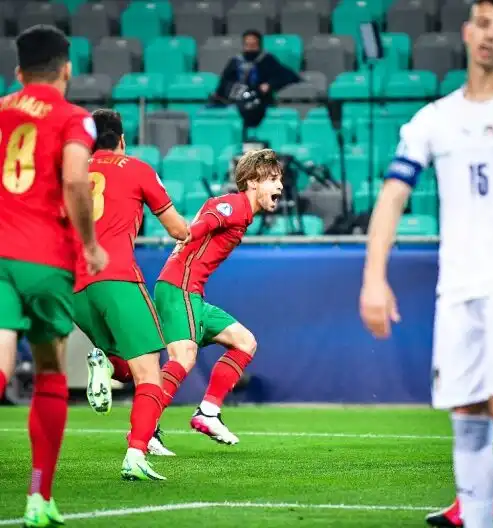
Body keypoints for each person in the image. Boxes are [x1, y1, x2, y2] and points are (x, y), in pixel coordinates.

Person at [359, 2, 493, 527]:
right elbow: (393, 197)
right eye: (483, 24)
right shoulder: (434, 120)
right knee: (467, 414)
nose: (490, 36)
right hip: (458, 290)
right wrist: (374, 278)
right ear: (466, 31)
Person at [0, 25, 107, 527]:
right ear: (67, 69)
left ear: (18, 72)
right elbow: (75, 180)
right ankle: (38, 497)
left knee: (1, 363)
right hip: (45, 260)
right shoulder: (74, 118)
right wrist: (90, 244)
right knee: (49, 371)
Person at [72, 109, 189, 480]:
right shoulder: (137, 168)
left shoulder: (70, 173)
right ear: (121, 139)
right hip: (117, 276)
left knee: (128, 364)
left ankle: (106, 364)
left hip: (73, 287)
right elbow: (177, 229)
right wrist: (193, 229)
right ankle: (136, 454)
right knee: (150, 370)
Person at [156, 148, 283, 444]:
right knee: (183, 357)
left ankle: (208, 412)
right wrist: (187, 231)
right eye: (273, 179)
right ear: (252, 182)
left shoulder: (242, 213)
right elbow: (206, 222)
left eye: (280, 180)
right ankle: (145, 427)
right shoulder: (235, 205)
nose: (279, 186)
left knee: (244, 342)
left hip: (189, 291)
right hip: (180, 286)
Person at [212, 30, 301, 127]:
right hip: (237, 98)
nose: (250, 48)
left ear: (259, 46)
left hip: (260, 99)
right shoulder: (235, 61)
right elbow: (224, 83)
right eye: (247, 45)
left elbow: (288, 75)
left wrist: (269, 84)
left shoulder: (267, 59)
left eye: (253, 45)